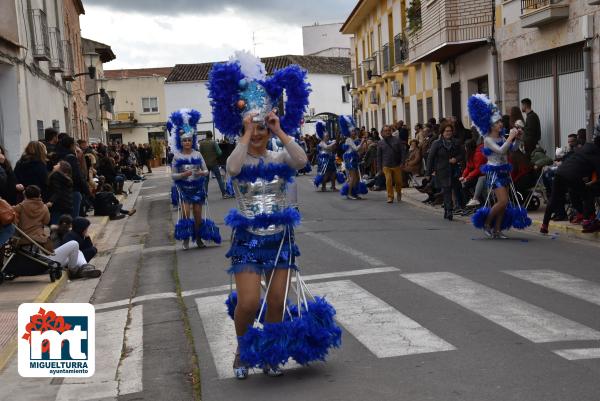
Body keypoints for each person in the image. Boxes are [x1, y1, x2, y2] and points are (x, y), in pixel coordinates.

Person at [208, 51, 340, 380]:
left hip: (280, 240)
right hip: (248, 241)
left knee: (278, 304)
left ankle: (269, 352)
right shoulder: (240, 157)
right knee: (250, 302)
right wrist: (245, 132)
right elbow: (233, 168)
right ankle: (242, 348)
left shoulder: (279, 156)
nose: (258, 133)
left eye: (262, 127)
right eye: (254, 127)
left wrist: (279, 130)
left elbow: (302, 160)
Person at [469, 94, 531, 237]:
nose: (501, 124)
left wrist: (518, 139)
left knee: (504, 203)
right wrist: (510, 138)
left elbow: (511, 149)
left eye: (500, 122)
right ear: (491, 125)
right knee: (503, 201)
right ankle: (487, 223)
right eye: (497, 123)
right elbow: (501, 150)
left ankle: (497, 229)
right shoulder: (488, 139)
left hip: (504, 171)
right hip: (494, 172)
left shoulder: (502, 137)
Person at [540, 132, 600, 234]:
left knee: (554, 198)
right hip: (574, 174)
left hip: (560, 172)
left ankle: (544, 226)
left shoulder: (584, 148)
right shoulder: (597, 154)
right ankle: (586, 221)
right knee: (587, 195)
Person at [168, 109, 210, 249]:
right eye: (184, 140)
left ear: (192, 141)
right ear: (181, 142)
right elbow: (173, 175)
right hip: (184, 189)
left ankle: (198, 239)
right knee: (185, 214)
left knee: (198, 215)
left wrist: (201, 173)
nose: (187, 142)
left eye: (189, 140)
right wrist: (182, 175)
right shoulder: (177, 156)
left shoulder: (197, 154)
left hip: (197, 188)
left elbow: (206, 170)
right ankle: (186, 238)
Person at [427, 121, 465, 219]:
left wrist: (456, 159)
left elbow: (462, 154)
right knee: (447, 189)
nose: (448, 133)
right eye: (446, 131)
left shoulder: (456, 142)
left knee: (455, 189)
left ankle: (449, 208)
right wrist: (428, 172)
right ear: (442, 132)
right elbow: (430, 157)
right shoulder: (437, 143)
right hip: (442, 170)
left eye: (450, 131)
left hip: (454, 170)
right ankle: (449, 210)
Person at [12, 185, 52, 250]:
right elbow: (46, 222)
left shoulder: (21, 206)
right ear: (39, 195)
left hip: (23, 237)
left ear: (25, 195)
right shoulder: (45, 207)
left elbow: (11, 213)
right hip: (38, 239)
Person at [377, 124, 406, 203]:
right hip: (386, 165)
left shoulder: (397, 140)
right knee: (388, 181)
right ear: (382, 132)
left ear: (391, 131)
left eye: (389, 130)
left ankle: (399, 192)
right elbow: (379, 156)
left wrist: (402, 162)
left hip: (397, 165)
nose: (387, 132)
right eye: (385, 131)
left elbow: (403, 152)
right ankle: (390, 197)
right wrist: (379, 168)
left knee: (398, 182)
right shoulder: (380, 143)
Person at [340, 116, 366, 200]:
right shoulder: (348, 140)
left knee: (357, 178)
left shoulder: (352, 140)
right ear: (348, 132)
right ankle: (349, 193)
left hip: (353, 159)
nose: (354, 132)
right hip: (350, 160)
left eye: (355, 131)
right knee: (353, 177)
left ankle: (354, 193)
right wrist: (362, 143)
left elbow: (359, 151)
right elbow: (355, 149)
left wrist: (362, 145)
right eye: (352, 131)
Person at [199, 131, 229, 198]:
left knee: (206, 180)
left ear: (206, 135)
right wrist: (215, 156)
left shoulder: (202, 143)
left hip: (205, 164)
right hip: (214, 163)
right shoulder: (213, 142)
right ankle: (224, 194)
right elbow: (220, 152)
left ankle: (205, 195)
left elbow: (200, 153)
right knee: (219, 179)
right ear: (212, 136)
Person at [461, 133, 487, 207]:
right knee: (464, 185)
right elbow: (468, 167)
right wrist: (463, 176)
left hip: (482, 174)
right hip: (477, 174)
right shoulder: (470, 154)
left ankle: (475, 202)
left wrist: (467, 177)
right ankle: (474, 202)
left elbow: (478, 169)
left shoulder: (477, 154)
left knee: (466, 185)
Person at [313, 120, 338, 191]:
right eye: (326, 136)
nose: (328, 137)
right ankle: (323, 186)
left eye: (328, 136)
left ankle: (333, 186)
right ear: (323, 136)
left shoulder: (329, 142)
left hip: (330, 159)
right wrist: (334, 143)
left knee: (333, 173)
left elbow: (332, 149)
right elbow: (327, 147)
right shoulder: (321, 143)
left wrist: (335, 143)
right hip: (325, 160)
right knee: (326, 174)